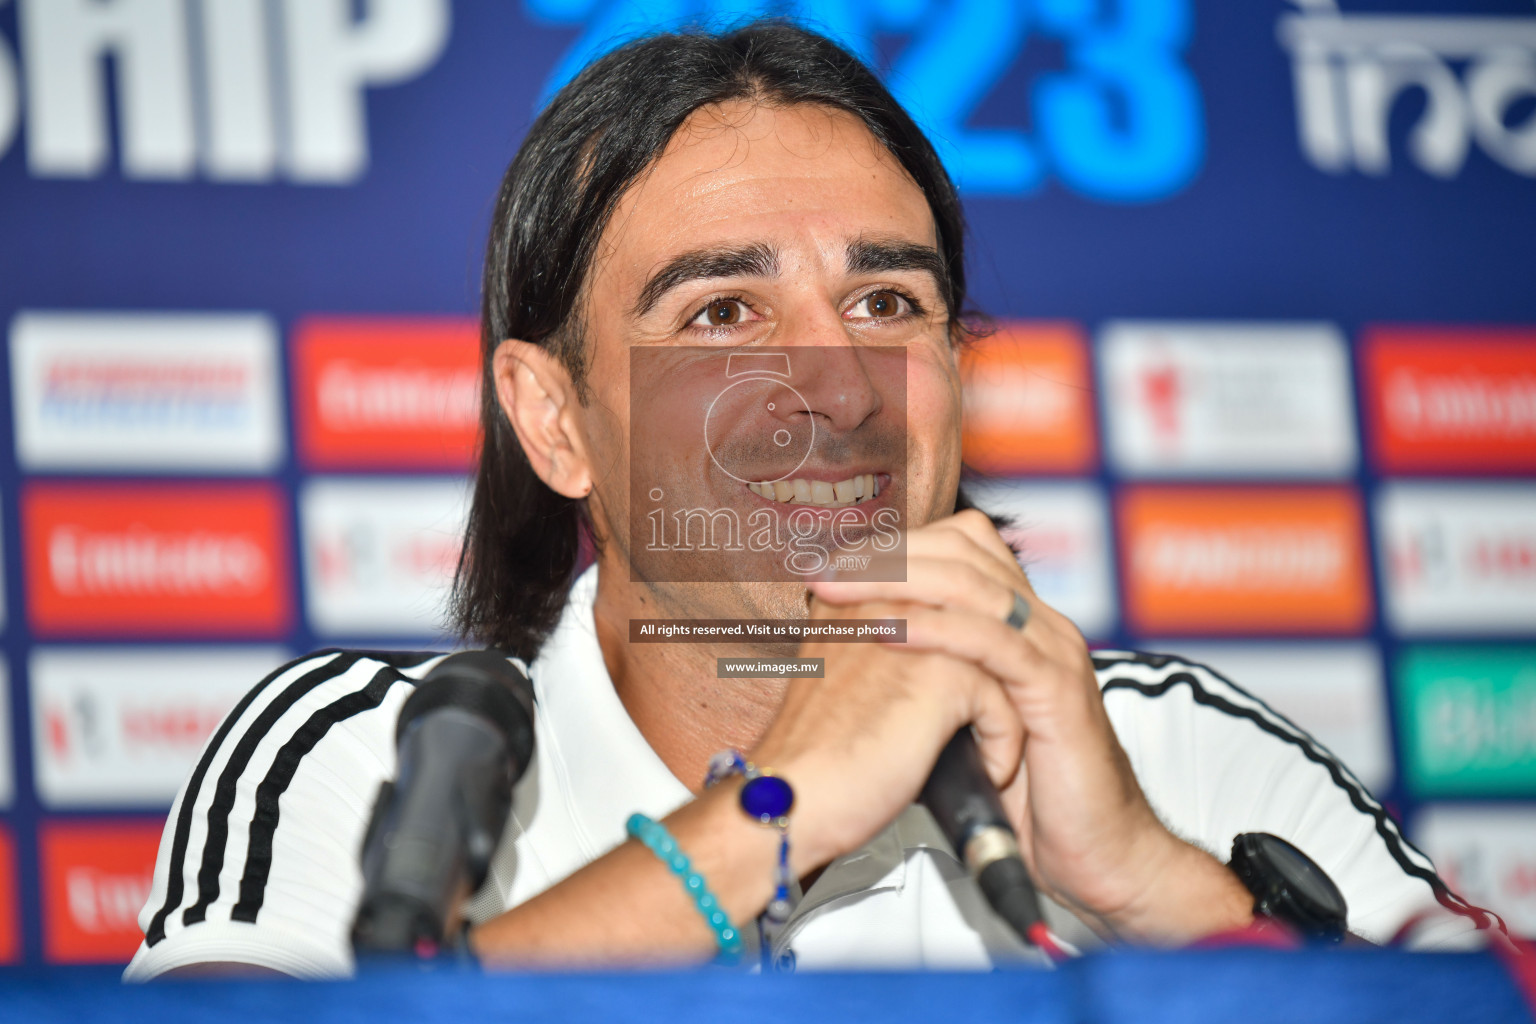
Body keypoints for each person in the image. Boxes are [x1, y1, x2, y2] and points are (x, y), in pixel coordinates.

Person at [124, 21, 1497, 980]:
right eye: (723, 311)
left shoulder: (1168, 749)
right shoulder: (381, 760)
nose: (837, 385)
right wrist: (777, 817)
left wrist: (1150, 880)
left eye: (887, 301)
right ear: (556, 421)